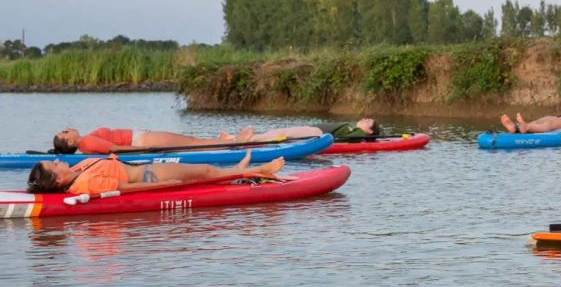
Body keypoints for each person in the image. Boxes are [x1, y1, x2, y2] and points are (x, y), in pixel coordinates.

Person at [26, 150, 285, 195]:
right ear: (58, 179)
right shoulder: (85, 182)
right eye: (54, 165)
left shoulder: (76, 169)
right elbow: (124, 189)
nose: (59, 161)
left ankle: (237, 171)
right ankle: (259, 170)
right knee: (204, 170)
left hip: (145, 170)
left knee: (204, 173)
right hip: (150, 177)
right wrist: (166, 185)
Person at [52, 125, 265, 155]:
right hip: (142, 141)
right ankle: (237, 142)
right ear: (70, 143)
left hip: (141, 139)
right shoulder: (88, 142)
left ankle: (229, 140)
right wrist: (151, 149)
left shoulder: (86, 144)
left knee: (190, 141)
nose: (68, 129)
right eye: (65, 133)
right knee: (191, 143)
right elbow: (117, 149)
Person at [245, 118, 382, 141]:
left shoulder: (358, 133)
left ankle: (252, 138)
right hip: (313, 129)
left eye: (368, 121)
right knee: (282, 131)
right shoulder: (353, 129)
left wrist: (363, 133)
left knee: (283, 133)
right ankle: (249, 137)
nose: (364, 119)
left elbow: (355, 138)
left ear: (369, 131)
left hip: (316, 133)